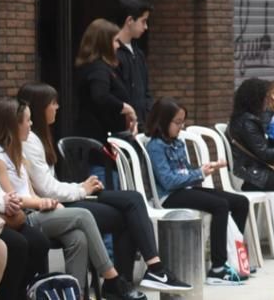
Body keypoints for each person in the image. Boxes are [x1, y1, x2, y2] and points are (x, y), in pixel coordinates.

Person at [18, 82, 191, 292]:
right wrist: (82, 188)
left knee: (133, 199)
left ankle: (145, 272)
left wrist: (82, 186)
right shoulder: (30, 141)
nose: (57, 107)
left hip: (66, 196)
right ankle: (129, 279)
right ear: (39, 106)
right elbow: (47, 189)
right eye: (53, 103)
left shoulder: (39, 136)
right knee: (127, 213)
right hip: (55, 204)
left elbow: (50, 184)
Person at [0, 98, 147, 300]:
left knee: (78, 238)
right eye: (27, 120)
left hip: (38, 209)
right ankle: (111, 278)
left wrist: (46, 203)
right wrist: (44, 202)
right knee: (83, 215)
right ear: (14, 124)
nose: (30, 125)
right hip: (25, 216)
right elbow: (12, 199)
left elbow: (30, 191)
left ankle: (75, 294)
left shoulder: (19, 153)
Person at [144, 97, 250, 286]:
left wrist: (204, 169)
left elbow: (185, 170)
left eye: (182, 122)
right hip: (169, 196)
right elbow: (168, 181)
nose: (181, 126)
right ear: (162, 121)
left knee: (240, 202)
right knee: (220, 205)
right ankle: (218, 268)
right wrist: (199, 173)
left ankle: (234, 257)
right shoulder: (155, 146)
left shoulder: (178, 142)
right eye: (177, 122)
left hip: (186, 189)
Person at [73, 19, 137, 171]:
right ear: (104, 43)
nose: (117, 45)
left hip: (104, 145)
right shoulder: (98, 69)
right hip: (100, 147)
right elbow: (100, 96)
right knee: (108, 190)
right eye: (115, 41)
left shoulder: (100, 67)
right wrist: (126, 108)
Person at [228, 78, 274, 192]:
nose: (269, 101)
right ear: (256, 99)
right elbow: (264, 152)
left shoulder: (244, 118)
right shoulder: (247, 122)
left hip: (256, 172)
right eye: (266, 98)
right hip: (255, 177)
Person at [114, 0, 154, 126]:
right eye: (143, 21)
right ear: (130, 20)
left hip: (141, 124)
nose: (146, 27)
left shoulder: (139, 53)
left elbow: (146, 91)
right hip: (123, 125)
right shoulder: (113, 53)